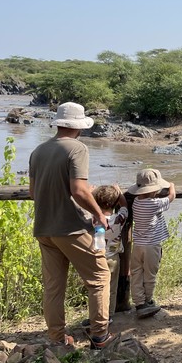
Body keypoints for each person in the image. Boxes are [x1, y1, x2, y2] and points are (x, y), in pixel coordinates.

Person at [29, 102, 116, 349]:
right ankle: (100, 336)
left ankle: (57, 338)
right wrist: (98, 213)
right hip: (72, 228)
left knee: (54, 286)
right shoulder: (77, 149)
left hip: (45, 228)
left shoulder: (38, 150)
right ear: (79, 127)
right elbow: (78, 191)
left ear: (58, 124)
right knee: (99, 277)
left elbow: (33, 192)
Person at [127, 169, 176, 319]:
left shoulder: (135, 202)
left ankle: (138, 302)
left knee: (136, 273)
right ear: (155, 190)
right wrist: (172, 185)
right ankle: (148, 301)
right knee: (150, 274)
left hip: (137, 245)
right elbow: (171, 196)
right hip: (152, 246)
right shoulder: (155, 203)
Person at [90, 185, 129, 317]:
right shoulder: (119, 219)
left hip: (97, 257)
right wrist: (119, 192)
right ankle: (109, 315)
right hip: (113, 258)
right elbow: (124, 206)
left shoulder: (93, 219)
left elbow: (83, 207)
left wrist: (90, 194)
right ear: (115, 202)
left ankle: (96, 316)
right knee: (112, 289)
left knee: (98, 289)